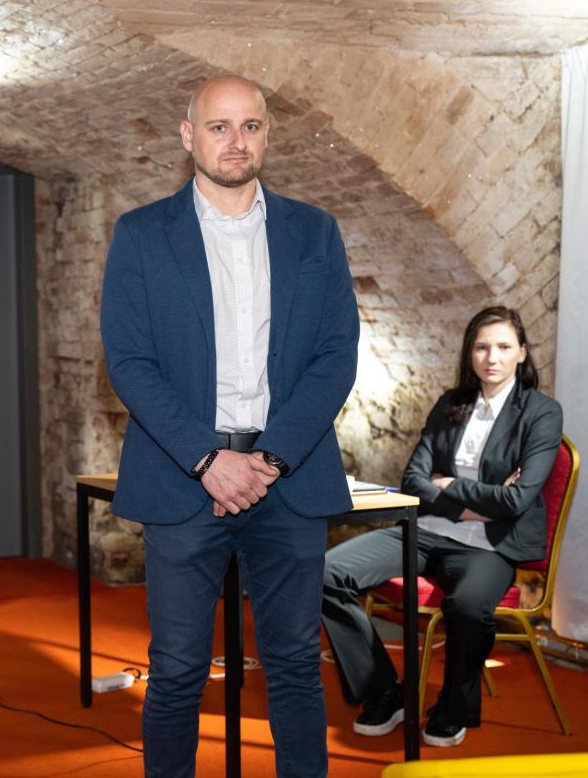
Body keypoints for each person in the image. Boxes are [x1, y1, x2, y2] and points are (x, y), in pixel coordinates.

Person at [100, 74, 359, 778]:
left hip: (289, 480)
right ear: (189, 136)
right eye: (219, 126)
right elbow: (129, 362)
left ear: (267, 134)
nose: (235, 141)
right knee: (178, 668)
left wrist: (269, 458)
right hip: (183, 480)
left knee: (296, 663)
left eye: (250, 126)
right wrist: (207, 460)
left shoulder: (315, 232)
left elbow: (336, 357)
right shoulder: (141, 234)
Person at [321, 306, 562, 748]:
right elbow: (413, 481)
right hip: (426, 531)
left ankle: (453, 707)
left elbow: (518, 500)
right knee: (324, 572)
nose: (492, 357)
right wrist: (477, 502)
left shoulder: (541, 413)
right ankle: (383, 690)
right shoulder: (451, 404)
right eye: (482, 347)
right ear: (470, 353)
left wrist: (449, 484)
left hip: (489, 547)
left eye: (504, 347)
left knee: (468, 606)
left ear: (522, 353)